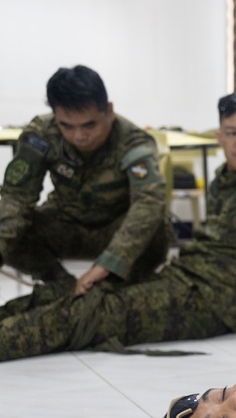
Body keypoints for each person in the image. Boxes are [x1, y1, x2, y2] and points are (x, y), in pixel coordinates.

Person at [0, 90, 236, 361]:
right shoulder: (225, 176)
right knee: (96, 297)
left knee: (98, 315)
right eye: (233, 132)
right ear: (219, 136)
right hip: (187, 279)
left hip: (213, 303)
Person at [0, 65, 172, 297]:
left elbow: (149, 202)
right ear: (55, 117)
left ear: (109, 111)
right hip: (64, 223)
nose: (79, 136)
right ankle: (61, 286)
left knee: (156, 232)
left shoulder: (132, 141)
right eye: (66, 126)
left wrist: (108, 264)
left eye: (89, 125)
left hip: (115, 229)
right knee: (11, 232)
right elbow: (17, 198)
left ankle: (109, 290)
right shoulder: (42, 134)